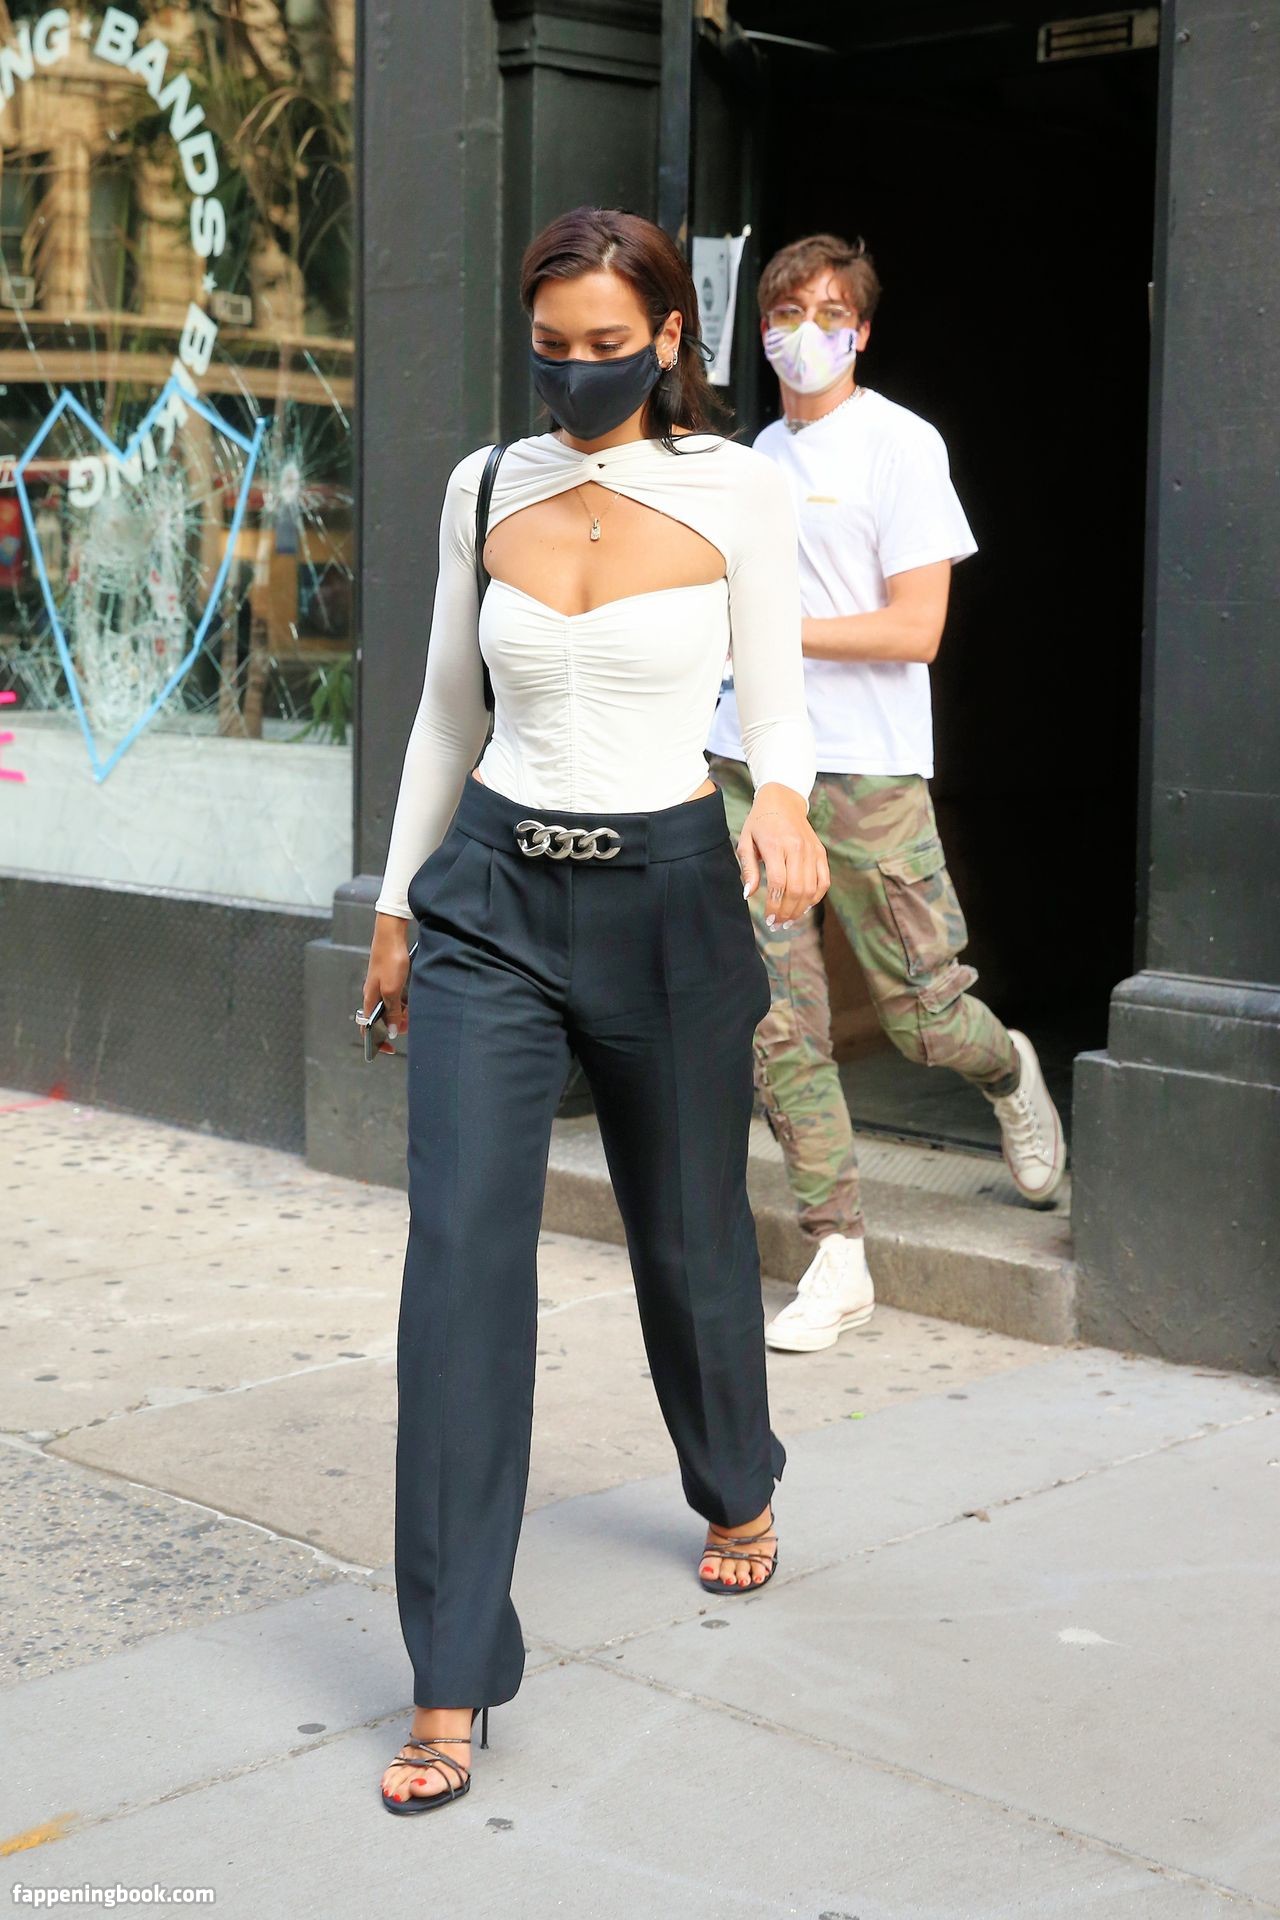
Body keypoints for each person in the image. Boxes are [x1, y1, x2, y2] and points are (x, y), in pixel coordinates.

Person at [363, 206, 828, 1814]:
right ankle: (447, 1678)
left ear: (670, 340)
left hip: (669, 896)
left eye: (607, 347)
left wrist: (786, 803)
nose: (575, 373)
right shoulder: (483, 486)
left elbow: (777, 701)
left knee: (688, 1235)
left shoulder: (740, 489)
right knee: (457, 1269)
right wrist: (396, 907)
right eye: (550, 348)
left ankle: (734, 1476)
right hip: (490, 899)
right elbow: (446, 715)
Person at [707, 231, 1067, 1357]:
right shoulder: (749, 460)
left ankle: (1007, 1068)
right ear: (760, 329)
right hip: (746, 766)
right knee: (776, 1016)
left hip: (866, 770)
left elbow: (917, 629)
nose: (803, 333)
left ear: (860, 331)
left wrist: (777, 630)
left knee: (921, 1014)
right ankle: (837, 1252)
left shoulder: (901, 445)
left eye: (828, 313)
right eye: (785, 314)